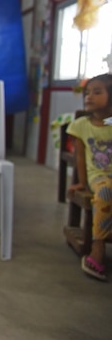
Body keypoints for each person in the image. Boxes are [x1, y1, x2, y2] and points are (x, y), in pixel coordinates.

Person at [66, 73, 112, 281]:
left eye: (97, 92)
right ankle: (98, 247)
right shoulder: (82, 125)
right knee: (105, 192)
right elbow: (80, 158)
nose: (89, 96)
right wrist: (82, 183)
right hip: (99, 178)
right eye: (87, 92)